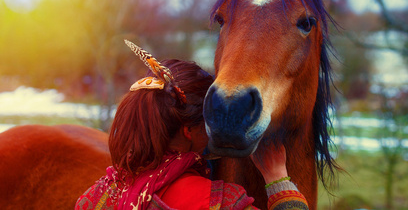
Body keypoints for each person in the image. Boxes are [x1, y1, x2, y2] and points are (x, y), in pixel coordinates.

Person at [75, 40, 308, 210]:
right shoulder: (219, 203)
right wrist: (278, 179)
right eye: (208, 120)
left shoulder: (96, 196)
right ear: (189, 131)